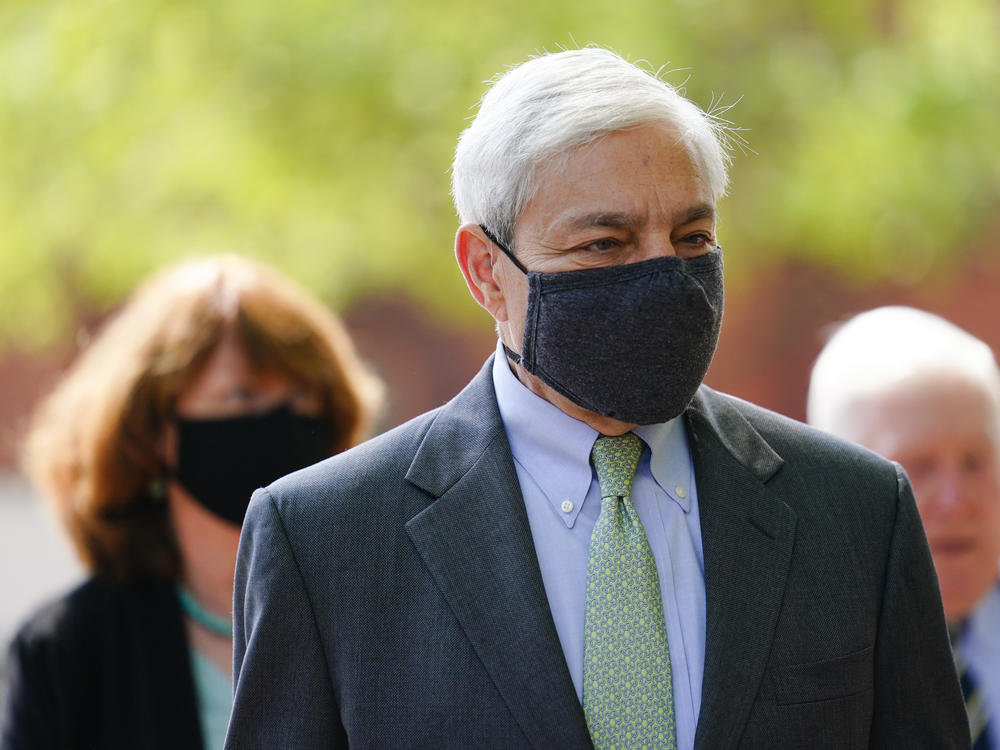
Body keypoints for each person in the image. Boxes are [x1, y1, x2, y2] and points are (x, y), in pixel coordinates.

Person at [226, 48, 968, 749]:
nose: (661, 276)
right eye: (604, 244)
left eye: (691, 237)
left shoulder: (859, 512)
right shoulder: (325, 541)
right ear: (486, 270)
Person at [0, 255, 381, 750]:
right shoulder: (68, 653)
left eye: (304, 397)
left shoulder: (389, 616)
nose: (283, 424)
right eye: (240, 396)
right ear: (154, 430)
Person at [808, 305, 1000, 749]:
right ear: (833, 483)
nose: (956, 503)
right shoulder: (790, 663)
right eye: (918, 468)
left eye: (975, 462)